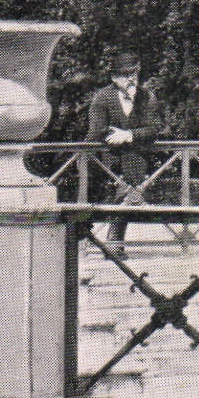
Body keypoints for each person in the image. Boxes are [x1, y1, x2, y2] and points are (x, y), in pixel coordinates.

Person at [85, 49, 157, 255]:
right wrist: (112, 135)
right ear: (114, 77)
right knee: (110, 200)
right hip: (108, 161)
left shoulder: (147, 97)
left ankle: (113, 244)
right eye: (126, 74)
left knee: (126, 199)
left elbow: (154, 129)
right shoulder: (102, 98)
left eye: (134, 74)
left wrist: (129, 135)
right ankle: (99, 243)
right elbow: (96, 130)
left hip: (136, 160)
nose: (131, 79)